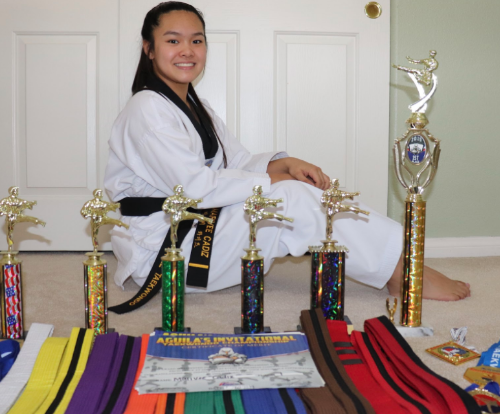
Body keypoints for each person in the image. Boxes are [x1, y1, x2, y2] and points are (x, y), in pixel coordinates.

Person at [104, 1, 470, 302]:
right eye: (173, 41)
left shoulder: (194, 106)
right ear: (149, 48)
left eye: (196, 41)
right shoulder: (147, 109)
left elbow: (239, 163)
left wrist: (286, 164)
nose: (187, 51)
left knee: (294, 188)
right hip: (166, 252)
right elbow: (196, 188)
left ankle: (399, 262)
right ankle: (401, 271)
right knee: (289, 197)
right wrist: (273, 180)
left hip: (192, 229)